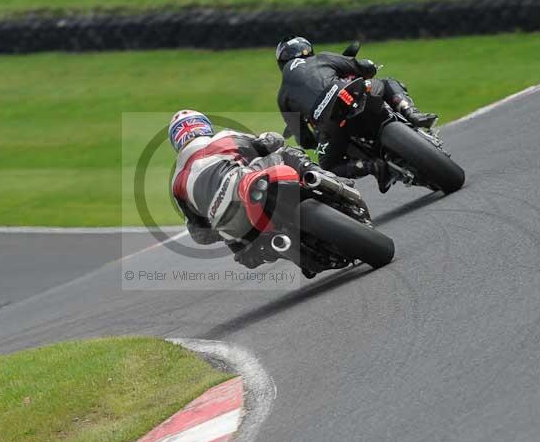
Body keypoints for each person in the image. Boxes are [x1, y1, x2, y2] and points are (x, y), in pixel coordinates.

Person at [169, 109, 345, 268]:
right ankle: (328, 179)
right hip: (246, 186)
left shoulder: (177, 182)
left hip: (237, 231)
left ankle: (285, 246)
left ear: (176, 141)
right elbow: (271, 142)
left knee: (245, 249)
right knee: (284, 153)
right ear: (203, 126)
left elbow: (200, 235)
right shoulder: (222, 138)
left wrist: (220, 223)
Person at [275, 35, 437, 192]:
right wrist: (369, 67)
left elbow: (303, 138)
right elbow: (361, 66)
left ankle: (372, 166)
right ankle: (411, 113)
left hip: (330, 126)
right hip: (352, 94)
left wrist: (315, 143)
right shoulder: (322, 58)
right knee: (387, 83)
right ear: (308, 49)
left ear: (281, 62)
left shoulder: (283, 96)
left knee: (329, 166)